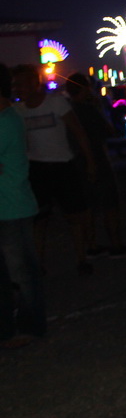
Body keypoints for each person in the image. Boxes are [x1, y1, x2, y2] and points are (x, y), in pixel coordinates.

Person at [10, 64, 95, 275]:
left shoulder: (55, 103)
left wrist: (90, 161)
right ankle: (38, 263)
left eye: (21, 84)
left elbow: (78, 131)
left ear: (35, 82)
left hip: (62, 165)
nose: (17, 88)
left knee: (74, 215)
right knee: (39, 219)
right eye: (15, 85)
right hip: (36, 168)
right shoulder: (18, 111)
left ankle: (81, 258)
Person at [65, 73, 126, 259]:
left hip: (75, 160)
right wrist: (100, 108)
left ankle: (91, 245)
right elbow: (109, 131)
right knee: (110, 202)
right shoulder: (89, 109)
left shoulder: (67, 110)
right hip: (96, 158)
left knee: (87, 205)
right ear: (85, 89)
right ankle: (116, 244)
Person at [0, 64, 46, 347]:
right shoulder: (8, 116)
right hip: (9, 205)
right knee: (12, 273)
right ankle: (11, 327)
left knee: (22, 273)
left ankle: (30, 326)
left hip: (12, 206)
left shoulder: (6, 121)